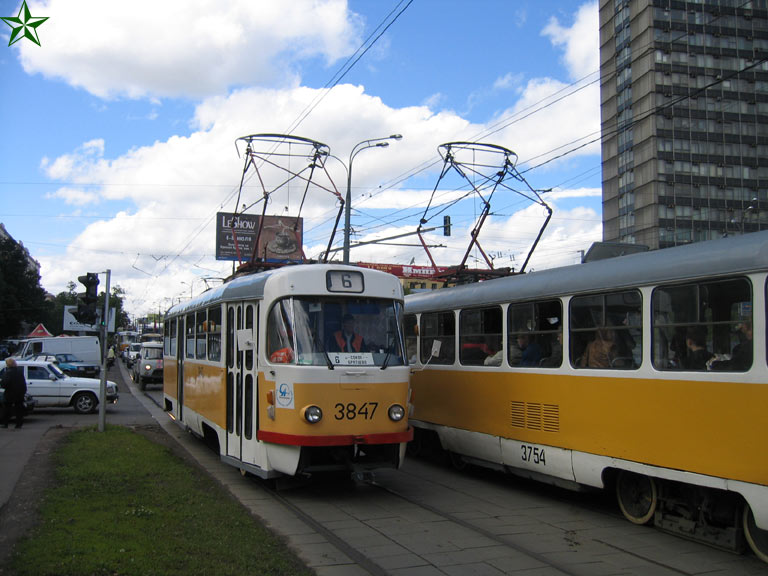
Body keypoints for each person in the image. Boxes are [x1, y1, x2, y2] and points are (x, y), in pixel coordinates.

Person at [1, 357, 27, 429]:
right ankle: (19, 424)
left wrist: (3, 385)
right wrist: (24, 391)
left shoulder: (7, 373)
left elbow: (4, 383)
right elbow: (23, 383)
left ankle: (5, 423)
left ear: (8, 365)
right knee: (19, 409)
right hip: (20, 393)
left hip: (10, 393)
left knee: (7, 408)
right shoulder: (19, 372)